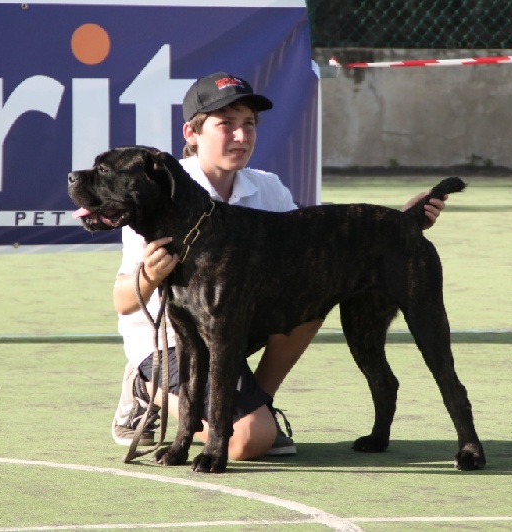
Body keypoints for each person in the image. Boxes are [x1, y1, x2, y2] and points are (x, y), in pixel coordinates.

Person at [110, 71, 448, 461]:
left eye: (249, 125)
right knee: (247, 443)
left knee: (311, 295)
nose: (241, 136)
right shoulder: (160, 191)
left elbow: (315, 248)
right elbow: (123, 302)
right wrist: (150, 275)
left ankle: (260, 405)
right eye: (226, 125)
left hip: (232, 330)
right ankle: (144, 388)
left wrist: (401, 225)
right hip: (167, 342)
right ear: (191, 132)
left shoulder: (267, 187)